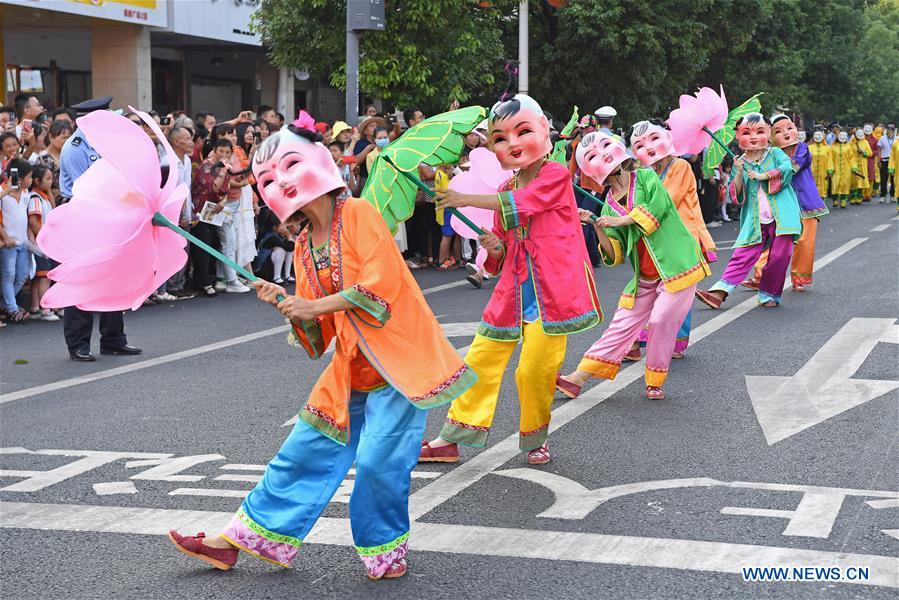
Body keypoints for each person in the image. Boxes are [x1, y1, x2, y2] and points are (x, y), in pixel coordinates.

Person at [168, 122, 476, 580]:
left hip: (401, 366)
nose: (282, 183)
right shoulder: (302, 246)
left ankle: (385, 550)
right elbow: (320, 337)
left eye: (290, 166)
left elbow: (378, 290)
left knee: (378, 461)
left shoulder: (360, 215)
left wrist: (309, 303)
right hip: (350, 368)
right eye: (269, 178)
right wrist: (288, 306)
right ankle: (236, 540)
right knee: (300, 453)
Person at [419, 95, 602, 465]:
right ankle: (452, 438)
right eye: (500, 138)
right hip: (514, 290)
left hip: (554, 288)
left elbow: (527, 202)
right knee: (479, 360)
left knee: (533, 370)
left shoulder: (555, 175)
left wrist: (462, 195)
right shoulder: (504, 190)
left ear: (543, 133)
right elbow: (502, 245)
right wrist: (494, 245)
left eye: (522, 132)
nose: (512, 144)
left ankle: (536, 438)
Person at [556, 132, 709, 401]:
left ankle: (654, 380)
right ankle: (577, 378)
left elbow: (659, 208)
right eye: (592, 155)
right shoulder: (608, 204)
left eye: (604, 149)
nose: (603, 157)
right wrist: (596, 224)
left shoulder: (647, 178)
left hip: (678, 266)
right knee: (620, 324)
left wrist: (620, 221)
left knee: (660, 319)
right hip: (645, 276)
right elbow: (614, 254)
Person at [58, 96, 141, 360]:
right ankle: (78, 344)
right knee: (83, 280)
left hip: (111, 215)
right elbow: (86, 189)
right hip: (84, 216)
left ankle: (114, 338)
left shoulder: (108, 143)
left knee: (114, 279)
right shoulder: (75, 147)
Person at [627, 119, 715, 360]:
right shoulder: (643, 172)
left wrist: (631, 216)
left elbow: (667, 200)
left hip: (682, 238)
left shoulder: (680, 167)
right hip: (654, 238)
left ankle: (673, 341)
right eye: (640, 144)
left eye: (654, 139)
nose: (649, 147)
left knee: (678, 292)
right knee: (644, 292)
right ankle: (635, 341)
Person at [695, 113, 801, 310]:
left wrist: (763, 175)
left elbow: (787, 171)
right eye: (746, 132)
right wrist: (740, 172)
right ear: (738, 136)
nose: (753, 137)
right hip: (754, 217)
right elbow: (737, 196)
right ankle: (718, 293)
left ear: (768, 133)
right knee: (743, 254)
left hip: (782, 215)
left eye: (760, 131)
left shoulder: (776, 154)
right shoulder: (739, 162)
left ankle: (770, 293)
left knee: (780, 256)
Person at [745, 115, 829, 293]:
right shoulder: (768, 154)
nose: (785, 133)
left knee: (804, 242)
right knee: (773, 241)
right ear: (770, 135)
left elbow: (791, 169)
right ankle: (761, 275)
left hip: (806, 203)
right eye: (778, 131)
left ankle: (799, 278)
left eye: (789, 128)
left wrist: (769, 171)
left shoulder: (802, 149)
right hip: (779, 203)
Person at [0, 159, 34, 323]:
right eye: (29, 177)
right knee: (8, 276)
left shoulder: (27, 193)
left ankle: (5, 304)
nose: (31, 180)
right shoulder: (2, 193)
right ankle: (13, 309)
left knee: (22, 275)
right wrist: (6, 238)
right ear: (19, 178)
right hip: (8, 244)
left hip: (22, 242)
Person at [165, 126, 196, 299]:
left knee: (185, 248)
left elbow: (188, 188)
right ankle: (171, 285)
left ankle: (179, 283)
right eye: (187, 138)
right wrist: (181, 213)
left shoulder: (187, 161)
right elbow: (174, 191)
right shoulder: (168, 162)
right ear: (176, 141)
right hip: (173, 215)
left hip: (186, 213)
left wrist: (190, 210)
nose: (191, 141)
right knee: (174, 249)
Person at [26, 164, 59, 320]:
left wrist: (51, 195)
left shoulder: (44, 197)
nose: (51, 181)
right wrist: (43, 238)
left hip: (45, 243)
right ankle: (45, 308)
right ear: (37, 181)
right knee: (44, 276)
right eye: (48, 178)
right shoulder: (35, 198)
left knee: (39, 277)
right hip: (42, 244)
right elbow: (33, 221)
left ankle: (35, 306)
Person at [34, 119, 73, 202]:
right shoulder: (43, 159)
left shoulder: (70, 154)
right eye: (64, 138)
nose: (67, 141)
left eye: (69, 138)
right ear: (51, 137)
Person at [829, 130, 856, 209]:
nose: (842, 138)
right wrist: (830, 169)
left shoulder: (848, 147)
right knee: (835, 185)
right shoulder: (832, 147)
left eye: (844, 136)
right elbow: (830, 159)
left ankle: (843, 201)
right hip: (835, 169)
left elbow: (851, 158)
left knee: (845, 185)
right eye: (841, 136)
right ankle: (835, 200)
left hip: (846, 169)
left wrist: (854, 167)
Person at [808, 129, 833, 201]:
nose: (818, 137)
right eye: (816, 135)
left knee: (824, 186)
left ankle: (822, 202)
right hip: (812, 171)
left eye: (819, 135)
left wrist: (830, 171)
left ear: (823, 136)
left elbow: (830, 160)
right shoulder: (809, 147)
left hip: (823, 171)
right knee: (812, 185)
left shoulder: (827, 148)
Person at [849, 129, 873, 205]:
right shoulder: (851, 143)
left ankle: (859, 197)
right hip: (853, 165)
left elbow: (870, 153)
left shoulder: (866, 142)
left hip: (863, 165)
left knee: (861, 181)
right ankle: (853, 197)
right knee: (853, 181)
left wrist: (863, 152)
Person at [877, 123, 896, 202]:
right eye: (889, 129)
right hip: (884, 160)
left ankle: (892, 195)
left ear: (894, 130)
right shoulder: (882, 138)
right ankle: (883, 195)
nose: (890, 131)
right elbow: (879, 150)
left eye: (892, 130)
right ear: (886, 130)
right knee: (883, 179)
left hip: (894, 161)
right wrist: (879, 161)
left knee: (893, 179)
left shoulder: (897, 138)